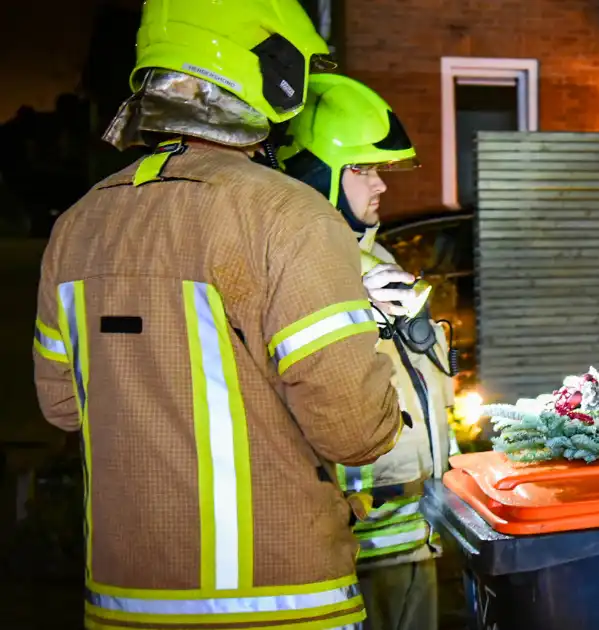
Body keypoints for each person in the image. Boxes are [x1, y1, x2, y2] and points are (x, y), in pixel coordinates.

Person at [30, 2, 417, 628]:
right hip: (280, 600)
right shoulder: (287, 216)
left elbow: (62, 408)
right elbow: (354, 429)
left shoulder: (77, 226)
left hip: (122, 601)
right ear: (269, 72)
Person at [279, 73, 460, 630]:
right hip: (357, 542)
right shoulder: (299, 269)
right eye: (362, 169)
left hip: (409, 531)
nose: (380, 184)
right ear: (316, 174)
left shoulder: (370, 255)